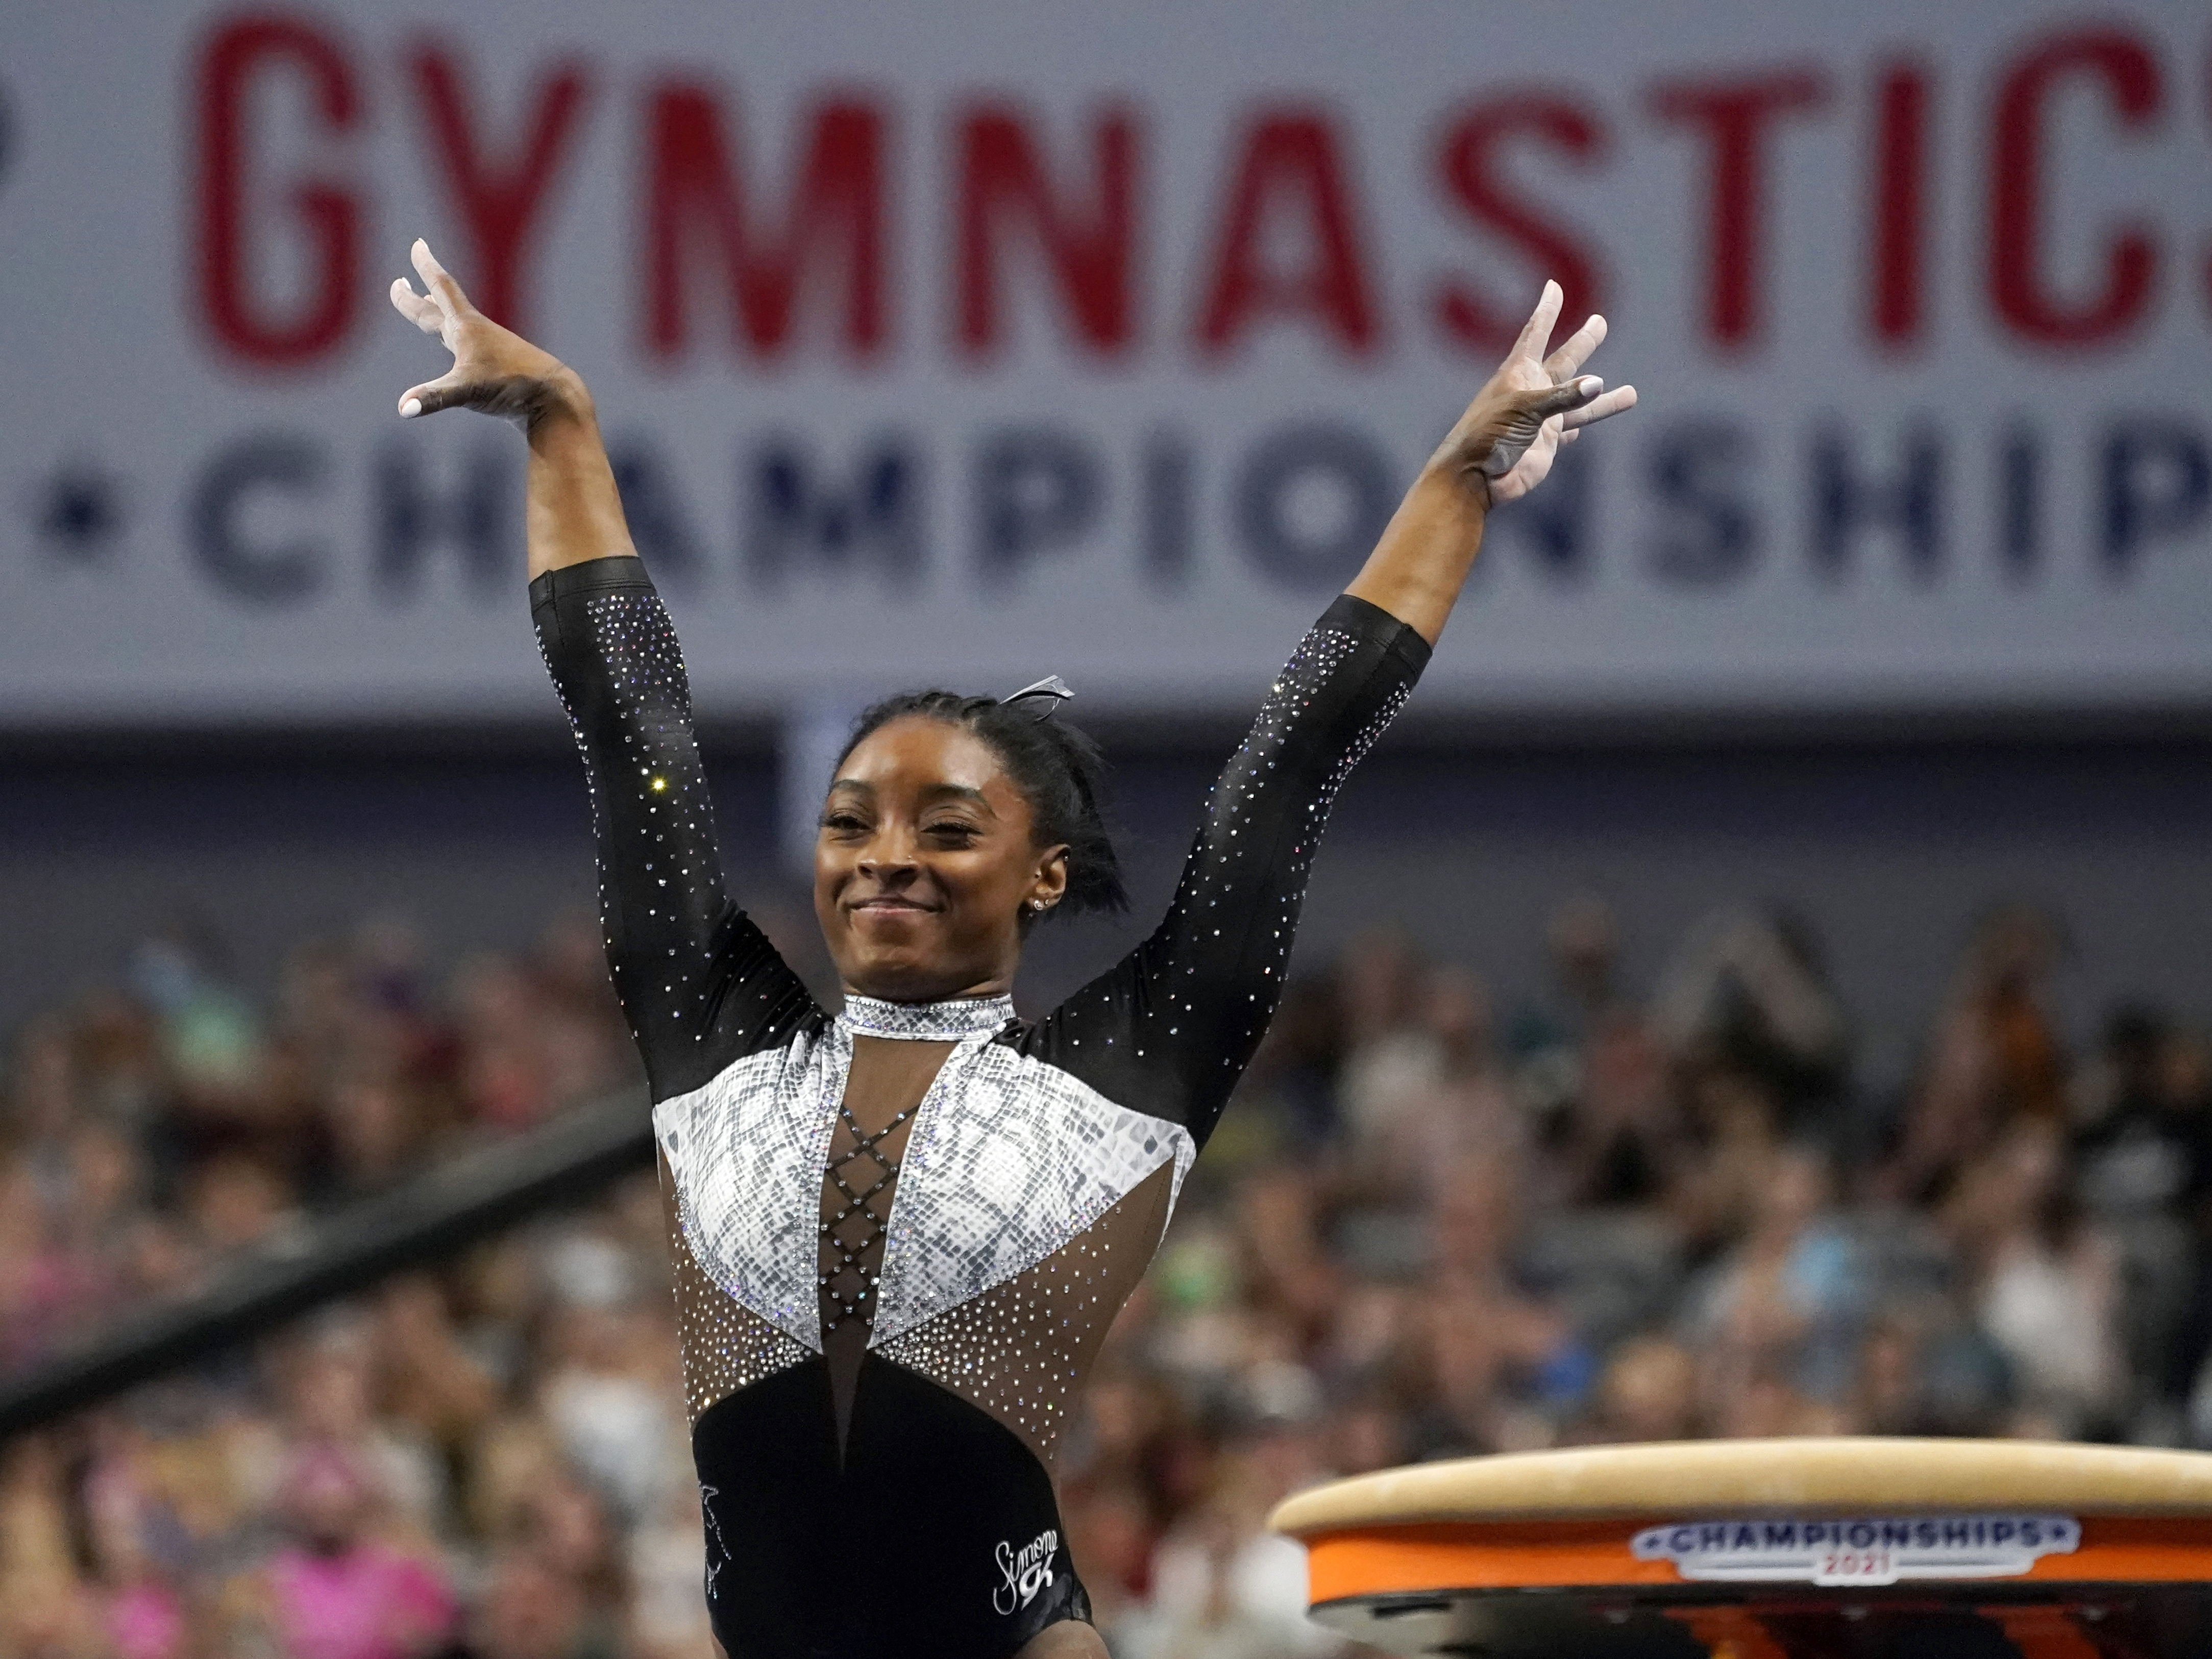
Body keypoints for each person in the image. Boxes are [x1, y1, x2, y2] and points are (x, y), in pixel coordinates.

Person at [387, 237, 1634, 1659]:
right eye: (853, 821)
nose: (888, 853)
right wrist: (562, 419)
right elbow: (629, 722)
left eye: (946, 824)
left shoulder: (1119, 1084)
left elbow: (1291, 762)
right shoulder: (719, 1049)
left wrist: (1457, 480)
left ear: (1045, 871)